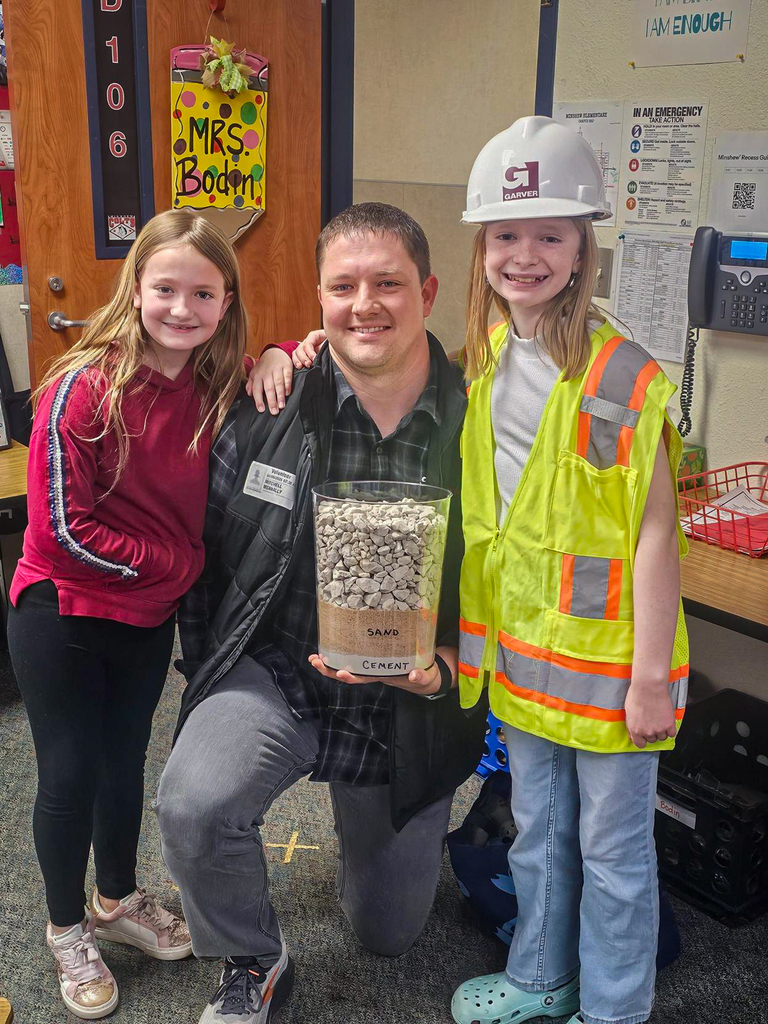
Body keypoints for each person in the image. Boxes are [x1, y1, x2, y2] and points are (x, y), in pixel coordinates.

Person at [262, 119, 690, 1024]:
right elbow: (374, 349)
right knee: (538, 836)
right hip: (524, 663)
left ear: (583, 245)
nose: (525, 255)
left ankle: (613, 1009)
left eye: (550, 235)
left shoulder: (624, 375)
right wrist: (294, 346)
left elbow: (656, 534)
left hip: (615, 670)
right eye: (505, 235)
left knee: (614, 853)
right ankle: (541, 979)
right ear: (480, 247)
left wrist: (651, 676)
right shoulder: (491, 359)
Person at [155, 202, 486, 1024]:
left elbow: (509, 585)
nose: (365, 304)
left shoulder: (481, 423)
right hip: (285, 676)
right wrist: (211, 682)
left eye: (388, 284)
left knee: (388, 933)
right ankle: (253, 959)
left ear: (429, 291)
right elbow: (209, 561)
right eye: (344, 286)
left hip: (408, 702)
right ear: (319, 297)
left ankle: (367, 841)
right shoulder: (272, 403)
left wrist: (449, 670)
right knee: (193, 801)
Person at [7, 210, 247, 1019]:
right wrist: (181, 567)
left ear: (225, 303)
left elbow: (283, 362)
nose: (183, 308)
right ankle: (66, 926)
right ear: (136, 289)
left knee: (125, 762)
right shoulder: (83, 386)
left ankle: (116, 900)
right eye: (166, 288)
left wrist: (287, 351)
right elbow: (63, 532)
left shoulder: (216, 384)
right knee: (69, 772)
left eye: (203, 294)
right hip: (64, 612)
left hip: (149, 619)